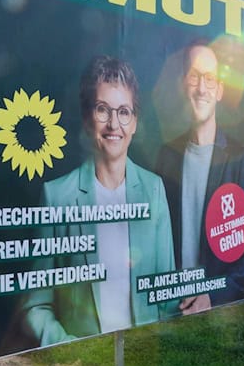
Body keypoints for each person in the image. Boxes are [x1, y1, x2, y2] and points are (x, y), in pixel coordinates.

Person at [18, 56, 176, 347]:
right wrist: (73, 351)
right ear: (87, 118)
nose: (114, 124)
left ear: (135, 122)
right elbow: (34, 307)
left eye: (124, 111)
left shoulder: (154, 190)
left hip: (145, 361)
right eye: (103, 109)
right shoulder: (57, 197)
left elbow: (166, 294)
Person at [156, 40, 244, 315]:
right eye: (194, 77)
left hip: (213, 310)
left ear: (220, 91)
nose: (201, 89)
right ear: (182, 85)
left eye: (210, 79)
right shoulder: (167, 155)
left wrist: (213, 297)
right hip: (171, 305)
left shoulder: (240, 158)